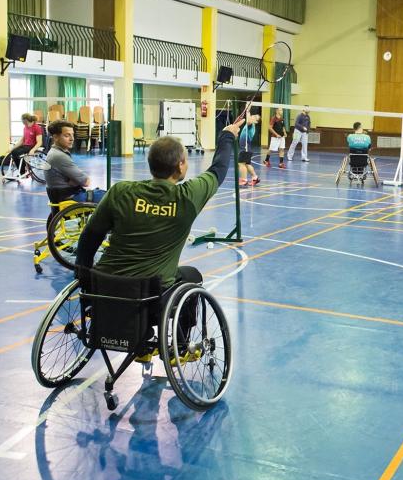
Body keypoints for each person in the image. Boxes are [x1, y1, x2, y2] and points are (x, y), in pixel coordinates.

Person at [73, 120, 243, 362]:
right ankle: (179, 348)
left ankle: (141, 347)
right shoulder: (187, 197)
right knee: (191, 277)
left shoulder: (120, 192)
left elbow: (90, 235)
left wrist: (83, 271)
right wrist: (227, 136)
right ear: (180, 165)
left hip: (105, 288)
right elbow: (218, 170)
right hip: (150, 295)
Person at [44, 120, 105, 204]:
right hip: (70, 197)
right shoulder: (59, 156)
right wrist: (75, 180)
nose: (72, 139)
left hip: (62, 194)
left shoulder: (54, 152)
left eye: (72, 135)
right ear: (55, 137)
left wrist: (74, 180)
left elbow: (79, 181)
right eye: (67, 135)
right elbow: (86, 182)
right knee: (112, 197)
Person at [237, 113, 262, 187]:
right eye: (253, 115)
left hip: (245, 148)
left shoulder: (251, 125)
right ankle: (255, 178)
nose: (253, 116)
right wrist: (248, 111)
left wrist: (248, 112)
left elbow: (248, 121)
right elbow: (248, 119)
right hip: (247, 148)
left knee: (241, 163)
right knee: (247, 164)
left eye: (255, 117)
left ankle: (244, 180)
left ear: (256, 122)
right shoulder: (250, 126)